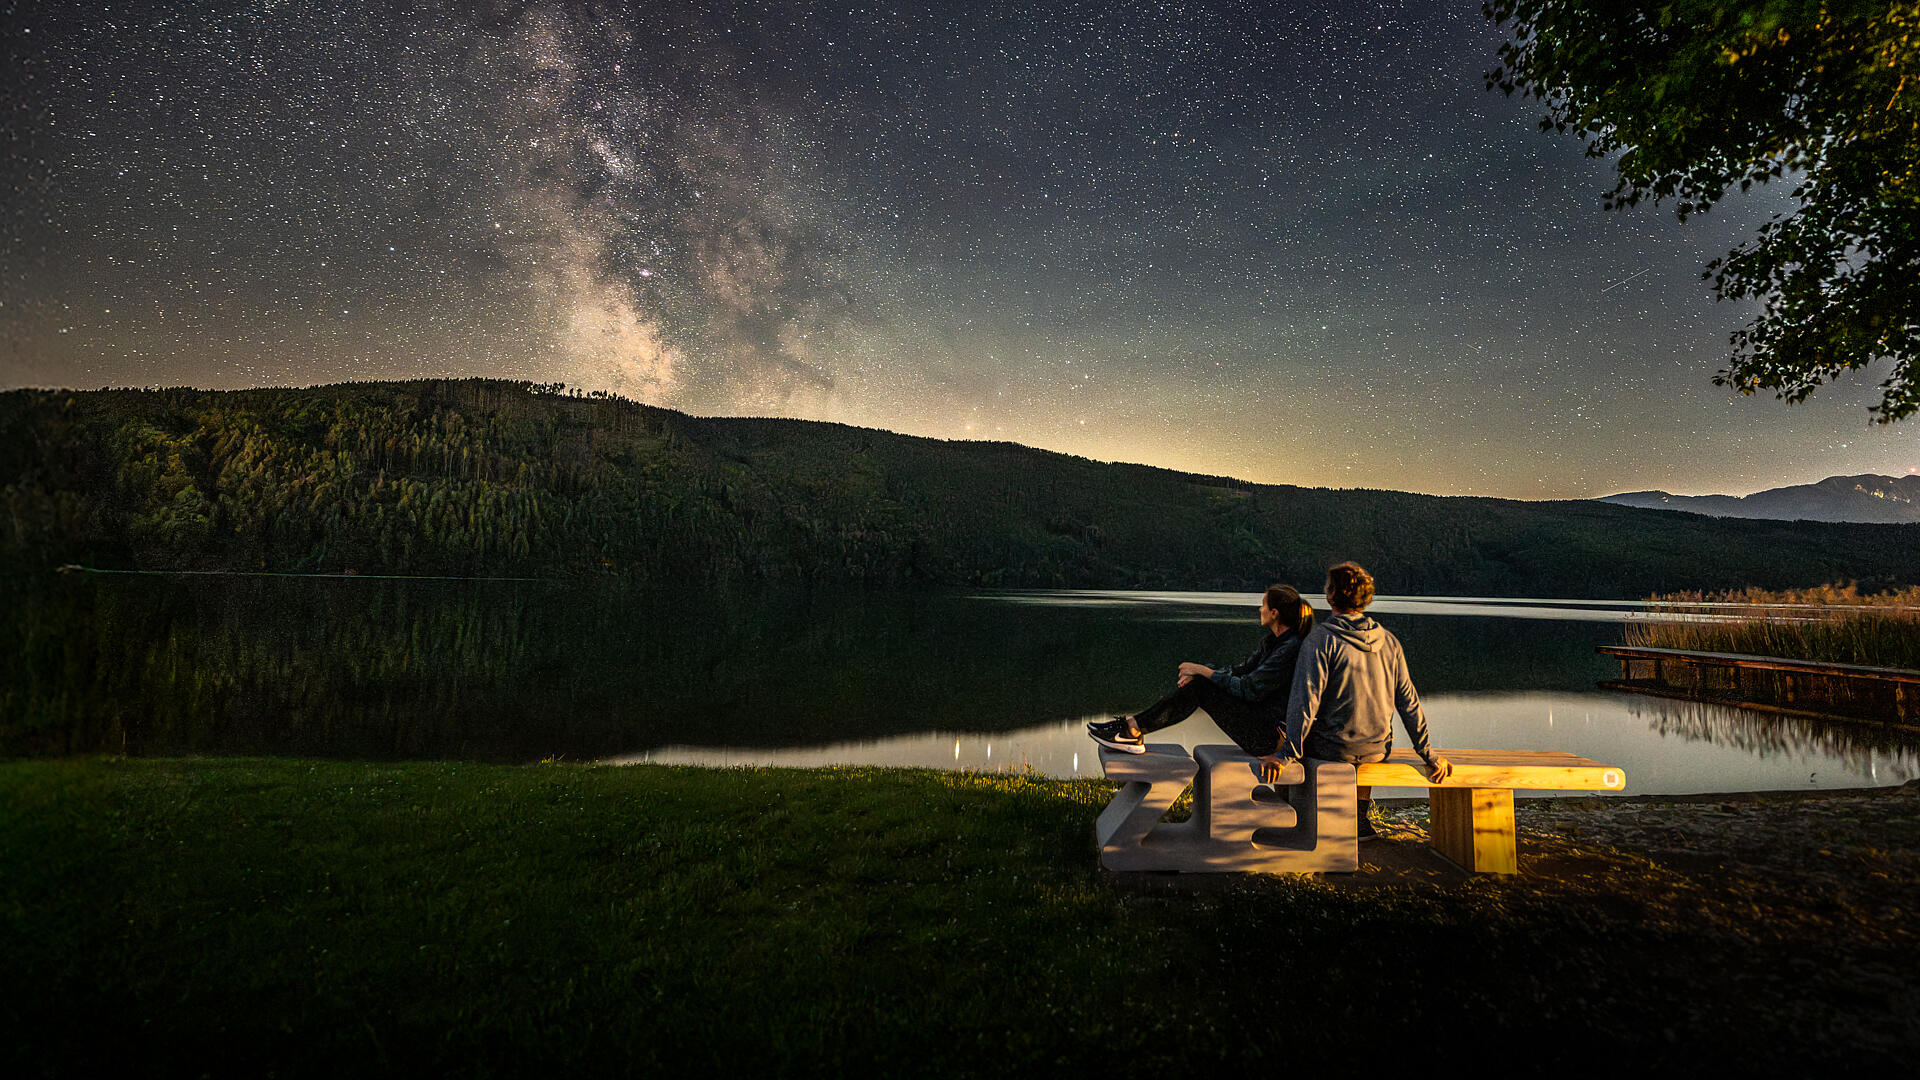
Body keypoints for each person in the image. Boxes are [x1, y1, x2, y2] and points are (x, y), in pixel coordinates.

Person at [1260, 561, 1452, 839]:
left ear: (1330, 594)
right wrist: (1428, 754)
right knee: (1364, 727)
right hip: (1377, 747)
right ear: (1366, 598)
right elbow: (1409, 703)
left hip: (1333, 748)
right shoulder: (1389, 641)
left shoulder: (1320, 641)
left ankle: (1291, 815)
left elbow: (1304, 702)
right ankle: (1360, 821)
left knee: (1282, 734)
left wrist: (1287, 753)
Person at [1086, 585, 1316, 756]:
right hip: (1261, 726)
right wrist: (1202, 672)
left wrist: (1202, 672)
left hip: (1269, 738)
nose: (1260, 609)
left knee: (1201, 688)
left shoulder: (1290, 649)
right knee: (1200, 684)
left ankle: (1131, 729)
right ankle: (1131, 727)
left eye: (1264, 604)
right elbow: (1238, 671)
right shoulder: (1273, 643)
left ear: (1274, 613)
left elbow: (1249, 689)